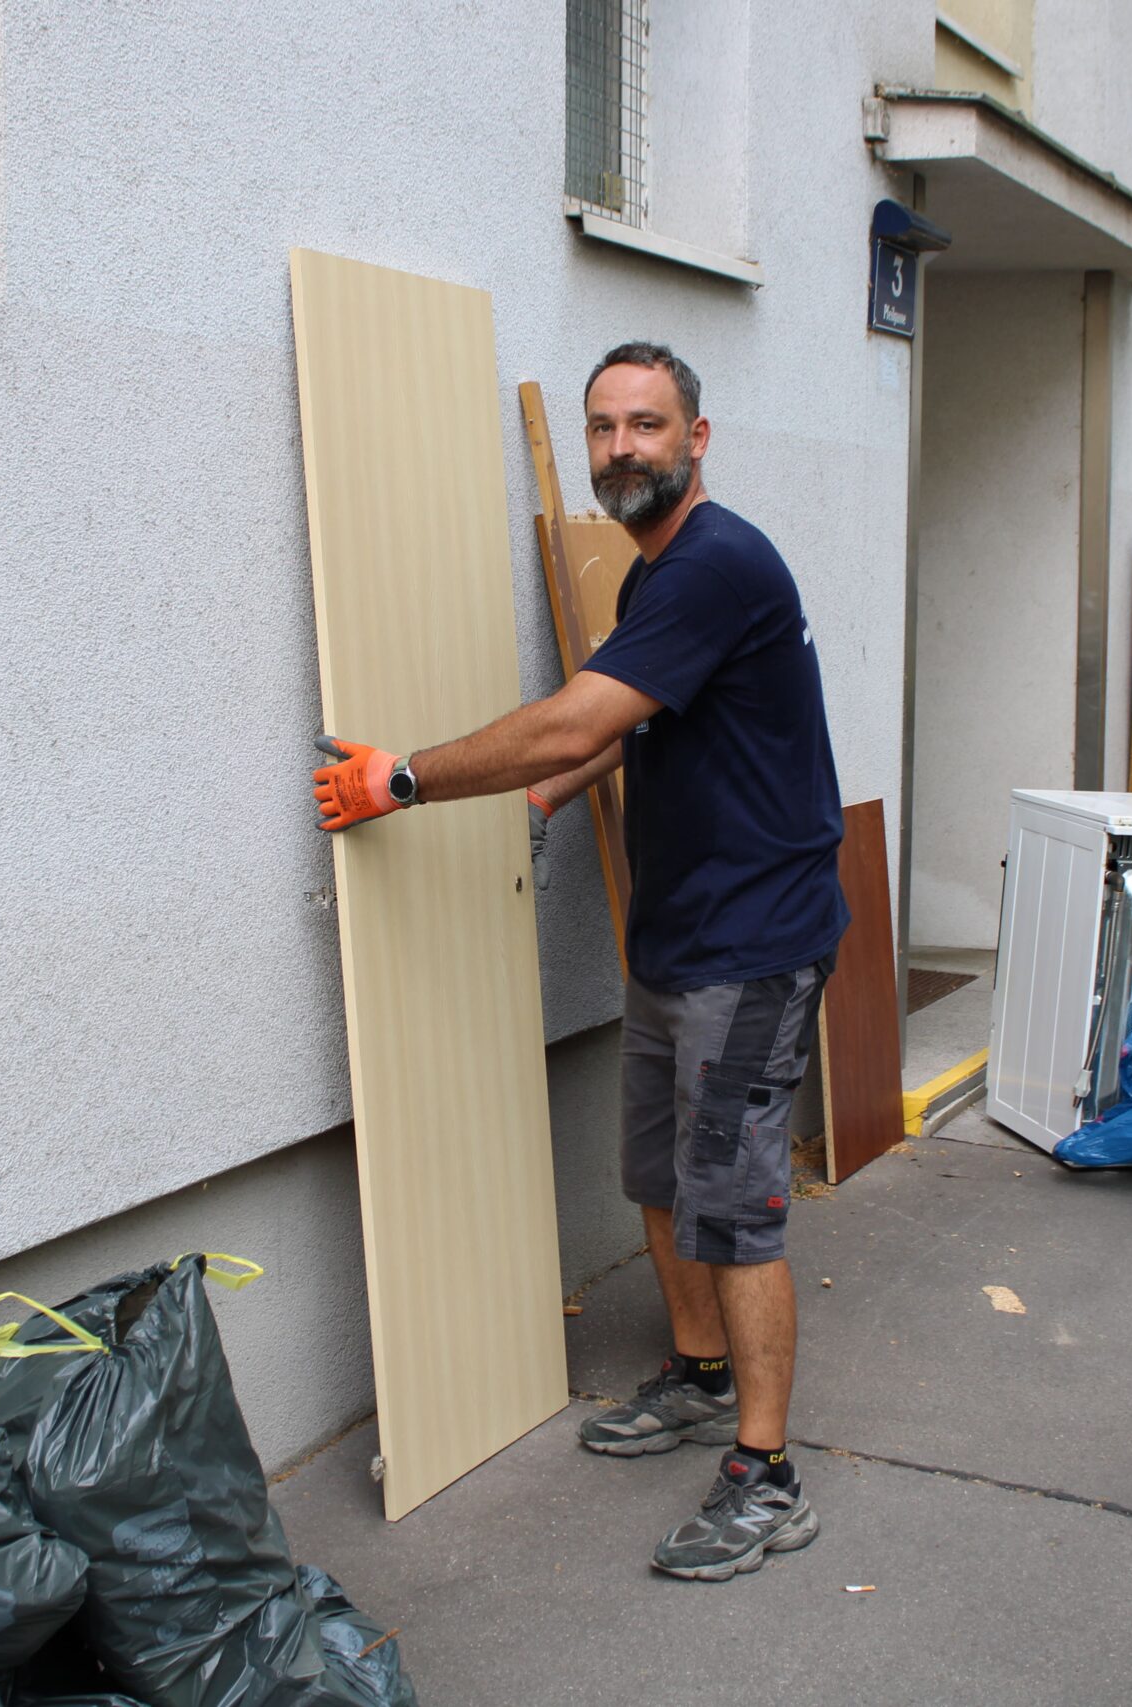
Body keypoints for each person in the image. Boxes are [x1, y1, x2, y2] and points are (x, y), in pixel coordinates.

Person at [309, 341, 847, 1582]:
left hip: (751, 951)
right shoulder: (653, 581)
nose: (619, 449)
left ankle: (766, 1476)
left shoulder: (716, 564)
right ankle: (701, 1373)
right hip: (677, 936)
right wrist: (550, 793)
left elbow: (586, 709)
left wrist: (404, 780)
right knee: (657, 1176)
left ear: (695, 440)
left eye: (645, 426)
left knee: (739, 1208)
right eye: (603, 428)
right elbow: (625, 724)